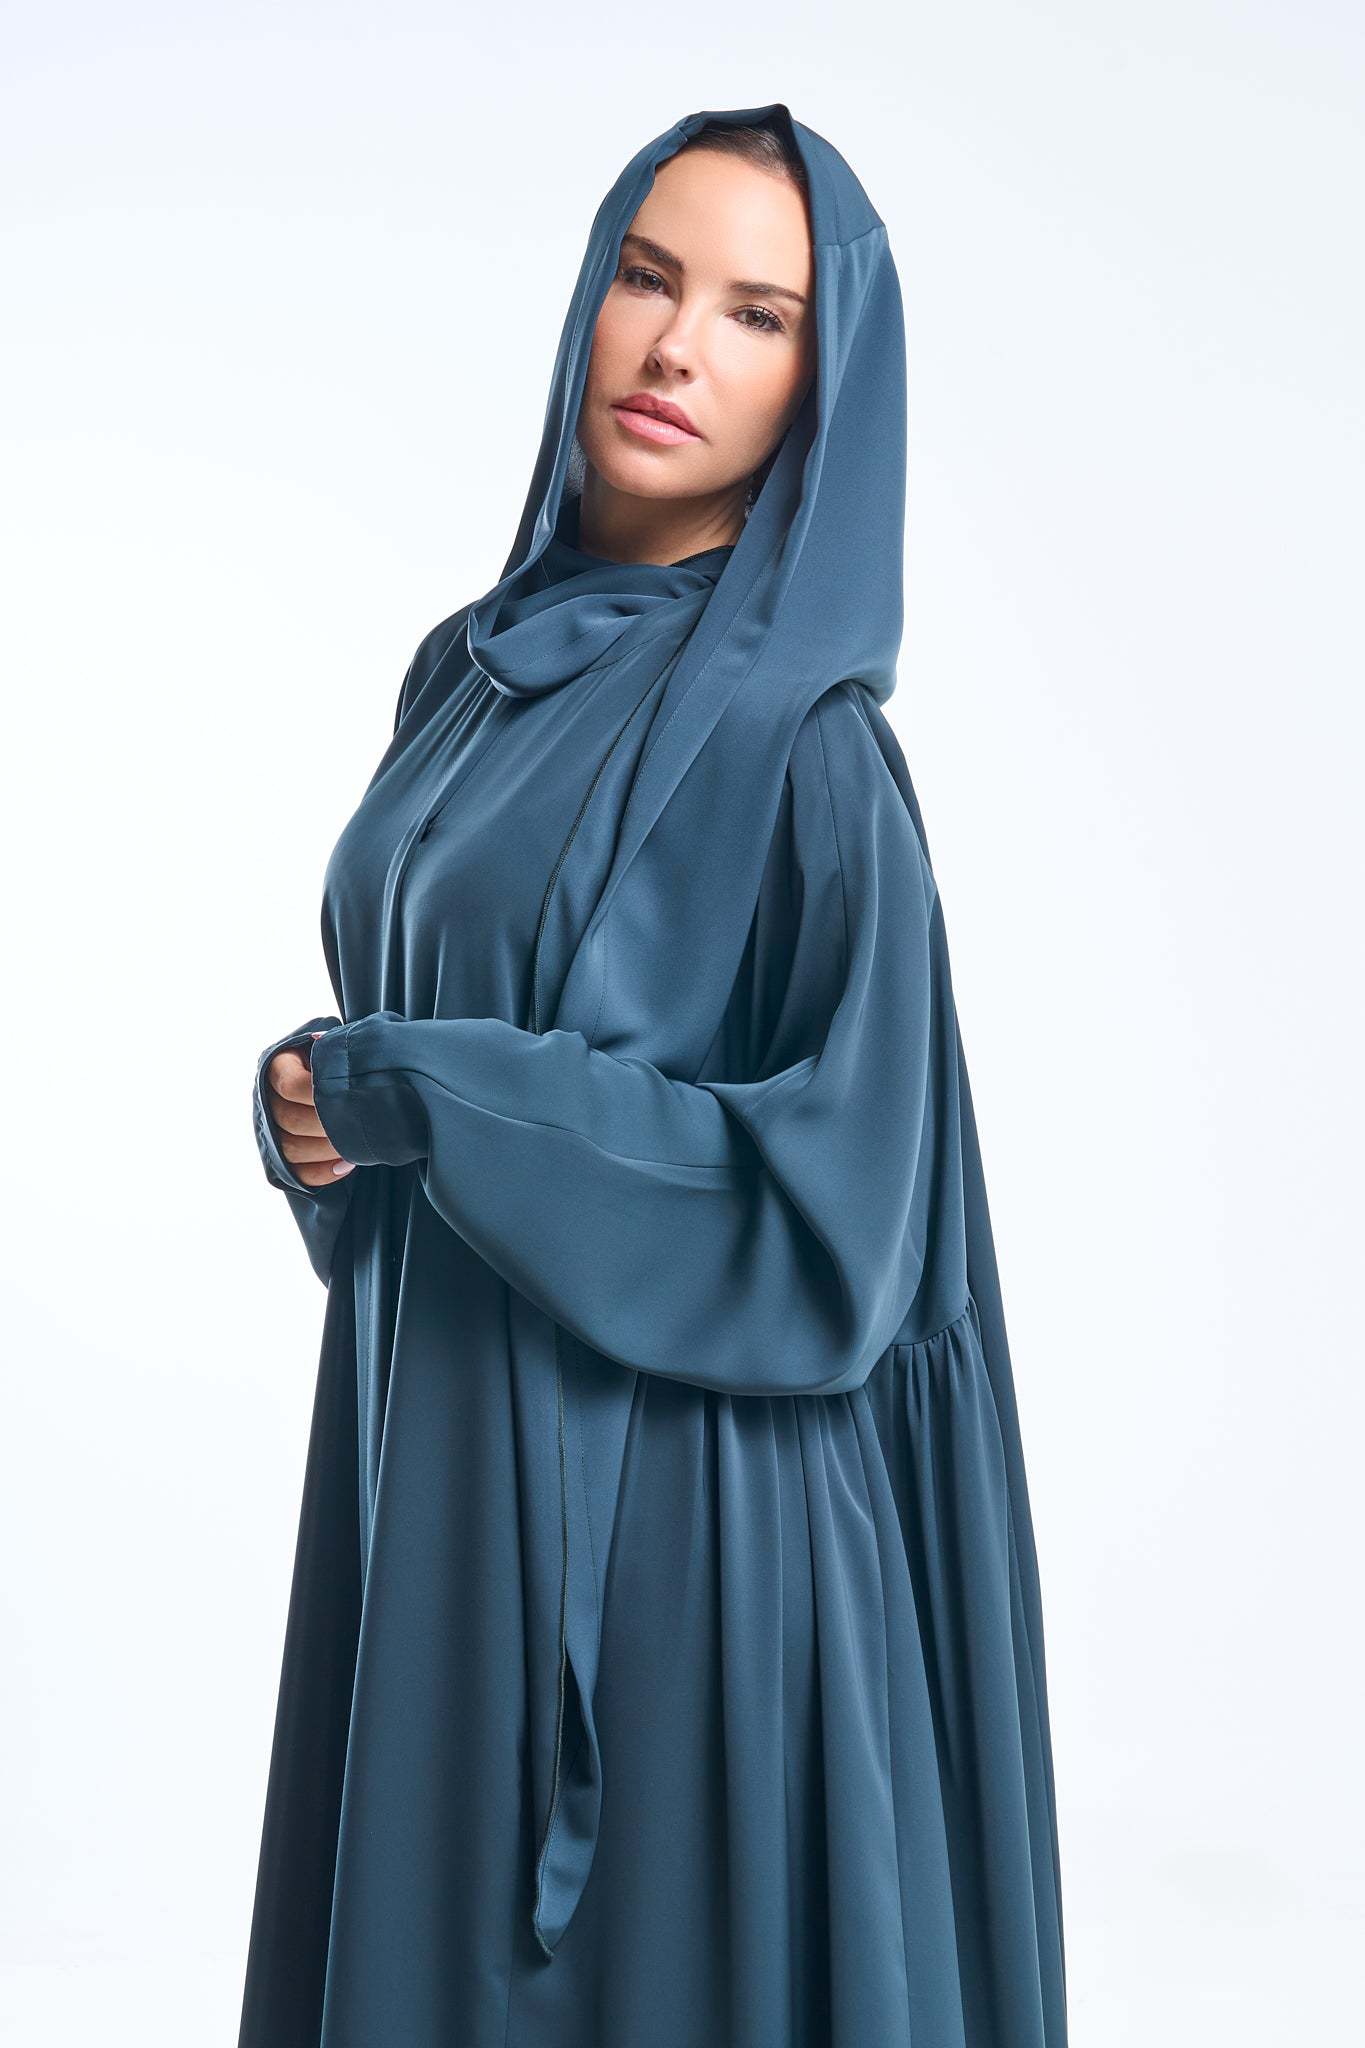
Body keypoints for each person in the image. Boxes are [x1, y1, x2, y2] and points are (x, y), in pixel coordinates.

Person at [239, 104, 1068, 2048]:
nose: (676, 345)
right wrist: (324, 1117)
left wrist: (429, 1097)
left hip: (685, 1553)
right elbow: (414, 1042)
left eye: (756, 315)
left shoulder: (807, 754)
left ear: (818, 391)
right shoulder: (464, 675)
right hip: (439, 1472)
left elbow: (830, 1218)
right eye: (646, 275)